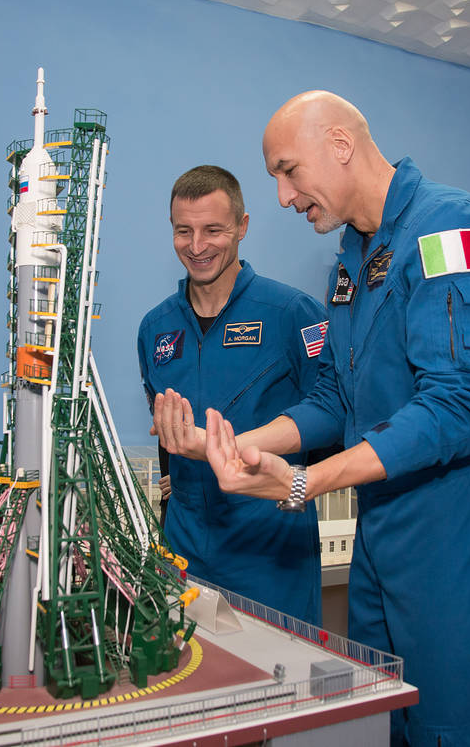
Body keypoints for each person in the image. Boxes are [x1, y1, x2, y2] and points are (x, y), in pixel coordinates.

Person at [154, 94, 470, 745]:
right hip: (380, 530)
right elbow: (334, 399)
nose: (281, 196)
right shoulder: (353, 259)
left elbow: (458, 404)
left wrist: (306, 482)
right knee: (380, 721)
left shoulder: (450, 229)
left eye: (288, 171)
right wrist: (231, 444)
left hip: (456, 528)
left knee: (460, 726)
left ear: (339, 145)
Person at [137, 165, 328, 626]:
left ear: (242, 227)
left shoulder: (292, 313)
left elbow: (334, 415)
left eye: (213, 230)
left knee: (280, 667)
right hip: (184, 548)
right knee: (186, 665)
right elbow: (165, 431)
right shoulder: (155, 328)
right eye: (184, 231)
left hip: (270, 547)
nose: (197, 246)